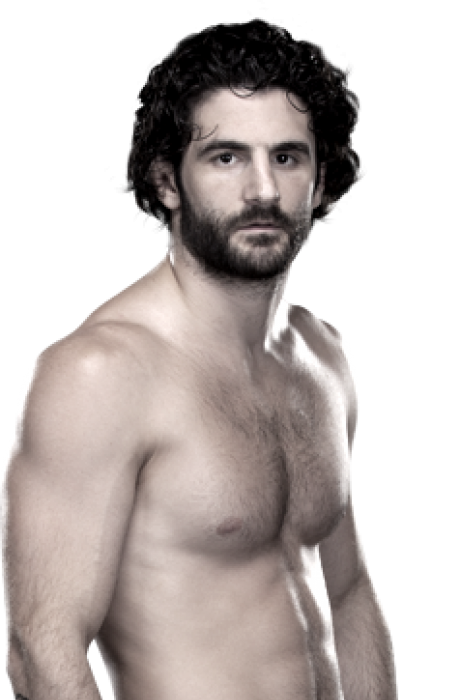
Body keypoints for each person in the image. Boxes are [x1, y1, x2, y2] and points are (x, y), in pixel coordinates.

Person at [2, 18, 397, 700]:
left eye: (286, 157)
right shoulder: (101, 373)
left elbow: (346, 591)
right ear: (167, 181)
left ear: (319, 178)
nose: (263, 191)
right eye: (226, 158)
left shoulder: (323, 355)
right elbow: (43, 648)